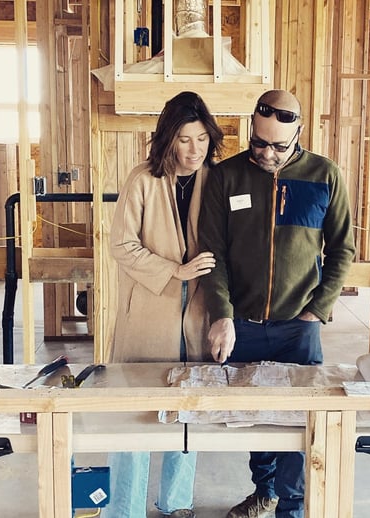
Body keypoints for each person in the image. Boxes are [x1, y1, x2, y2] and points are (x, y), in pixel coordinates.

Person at [198, 89, 356, 518]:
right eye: (259, 141)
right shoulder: (226, 176)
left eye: (278, 145)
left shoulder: (324, 175)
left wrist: (316, 310)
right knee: (256, 422)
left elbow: (343, 251)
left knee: (297, 426)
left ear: (299, 133)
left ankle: (292, 506)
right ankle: (263, 492)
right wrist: (222, 314)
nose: (266, 153)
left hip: (297, 328)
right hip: (242, 325)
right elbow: (211, 251)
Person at [106, 91, 224, 518]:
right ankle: (125, 508)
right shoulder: (143, 180)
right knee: (133, 415)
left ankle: (177, 504)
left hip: (197, 316)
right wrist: (174, 270)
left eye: (202, 140)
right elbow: (121, 245)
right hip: (148, 318)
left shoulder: (216, 179)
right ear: (168, 140)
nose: (194, 151)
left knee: (188, 415)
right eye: (184, 140)